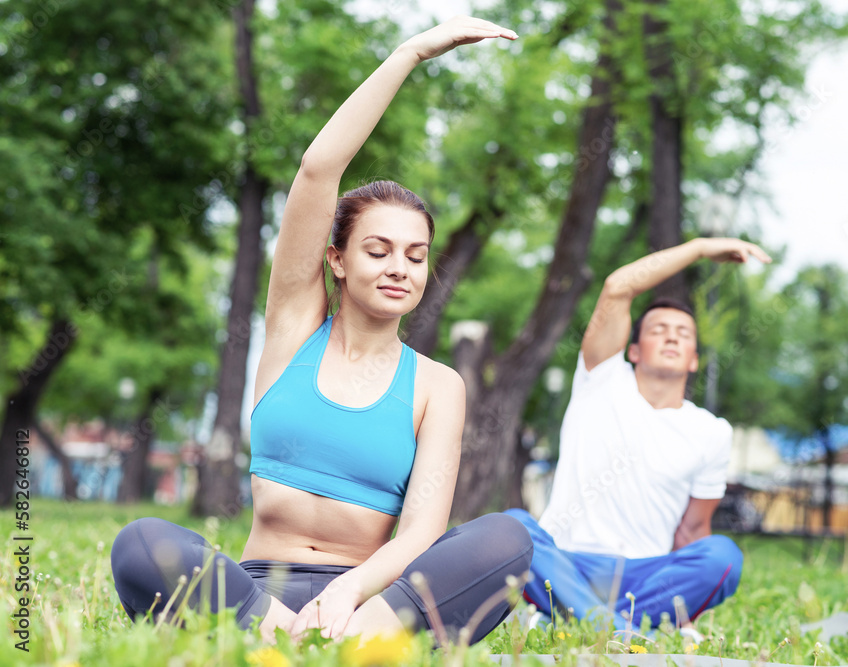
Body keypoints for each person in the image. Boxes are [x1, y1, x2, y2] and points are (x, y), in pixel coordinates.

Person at [111, 17, 532, 645]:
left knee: (507, 539)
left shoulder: (438, 386)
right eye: (379, 249)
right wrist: (411, 53)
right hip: (255, 593)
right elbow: (317, 170)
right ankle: (277, 636)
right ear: (337, 259)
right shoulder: (291, 328)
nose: (399, 267)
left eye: (416, 256)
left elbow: (420, 533)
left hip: (365, 603)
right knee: (143, 543)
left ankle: (345, 645)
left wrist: (350, 592)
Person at [506, 237, 771, 632]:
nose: (671, 336)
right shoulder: (602, 379)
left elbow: (694, 530)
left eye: (684, 333)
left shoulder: (712, 431)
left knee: (722, 555)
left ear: (694, 358)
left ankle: (587, 623)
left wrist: (685, 606)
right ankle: (620, 632)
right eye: (659, 329)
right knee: (512, 528)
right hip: (567, 562)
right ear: (633, 350)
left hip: (645, 576)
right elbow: (618, 287)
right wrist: (698, 248)